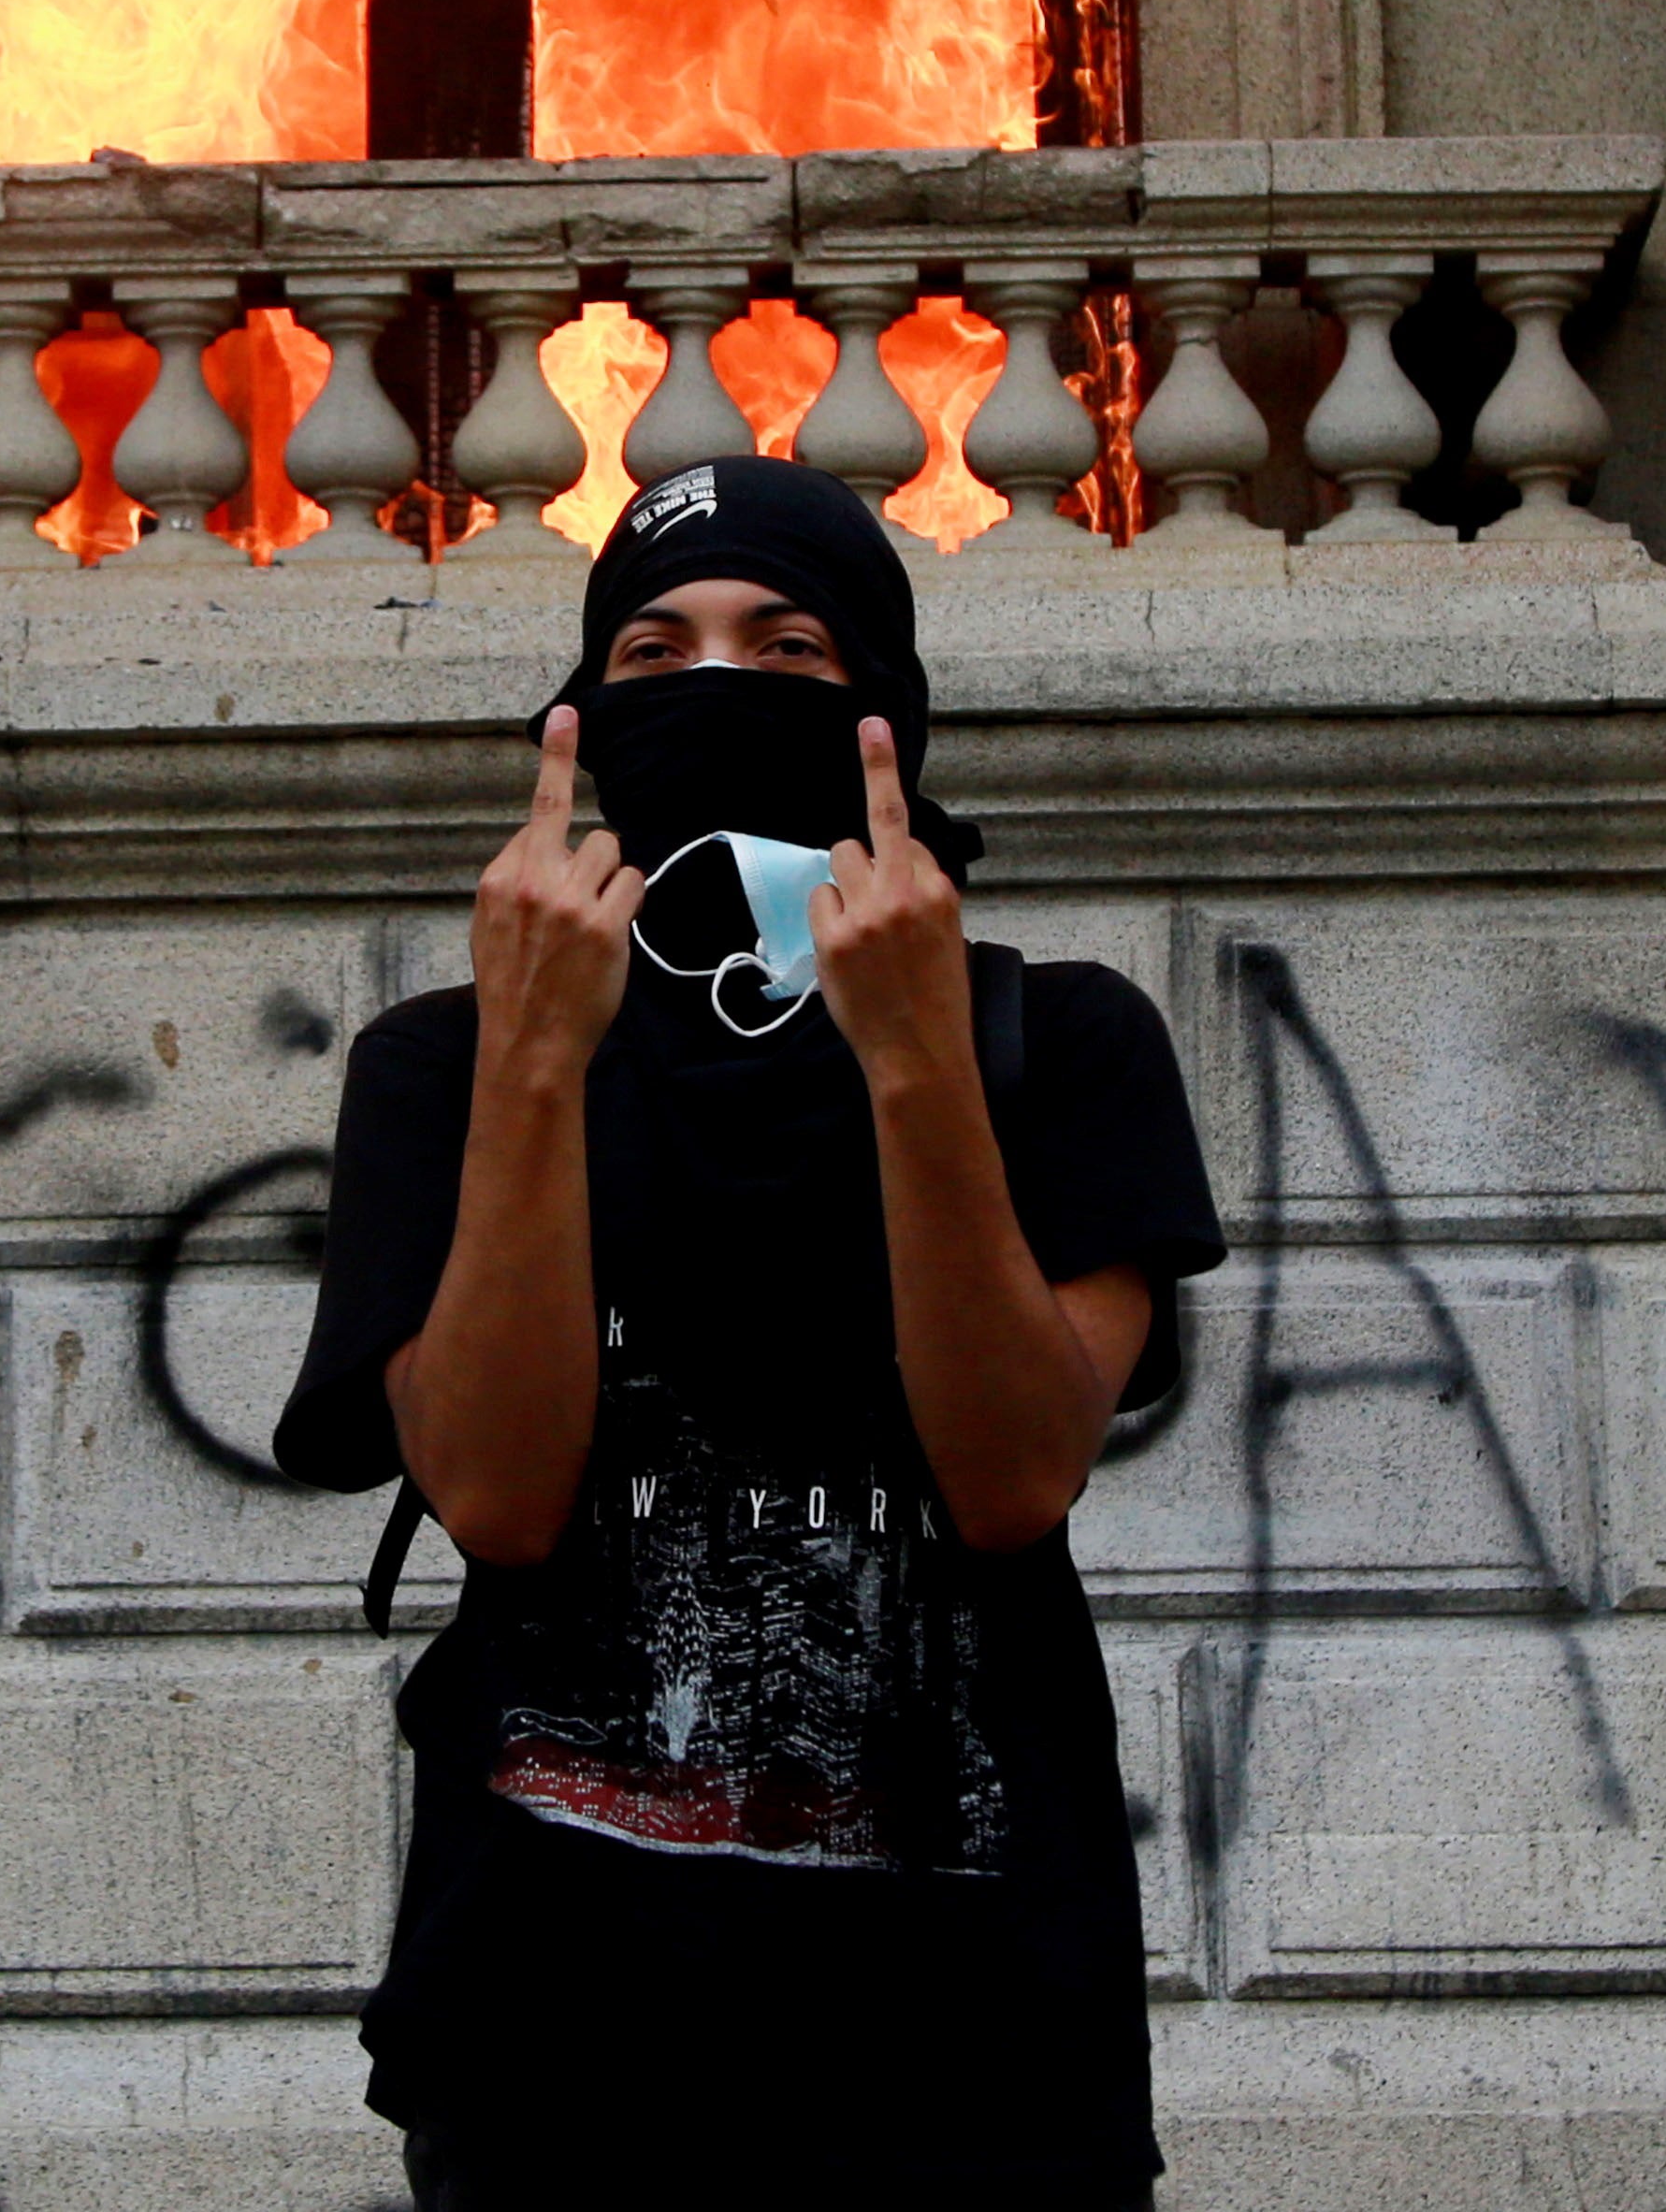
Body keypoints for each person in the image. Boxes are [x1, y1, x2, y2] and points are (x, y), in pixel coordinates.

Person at [273, 454, 1224, 2211]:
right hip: (556, 2047)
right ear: (575, 715)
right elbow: (495, 1495)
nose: (717, 688)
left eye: (789, 650)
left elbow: (1014, 1480)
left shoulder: (1065, 1042)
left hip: (975, 2047)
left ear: (886, 710)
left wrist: (918, 1060)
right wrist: (536, 1057)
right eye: (654, 651)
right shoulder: (440, 1068)